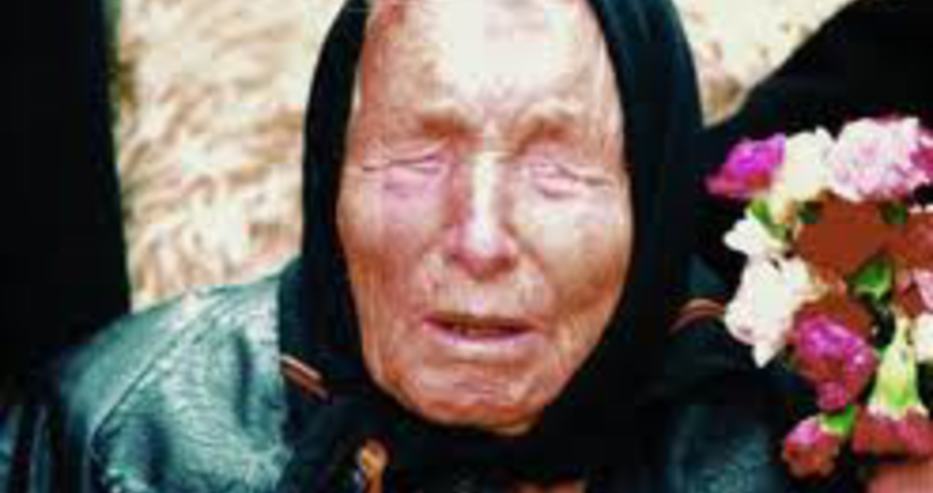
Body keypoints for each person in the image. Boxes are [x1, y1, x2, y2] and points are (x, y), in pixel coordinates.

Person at [10, 0, 841, 491]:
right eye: (416, 156)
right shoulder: (121, 431)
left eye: (555, 169)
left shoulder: (799, 444)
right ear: (331, 173)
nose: (478, 238)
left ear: (650, 202)